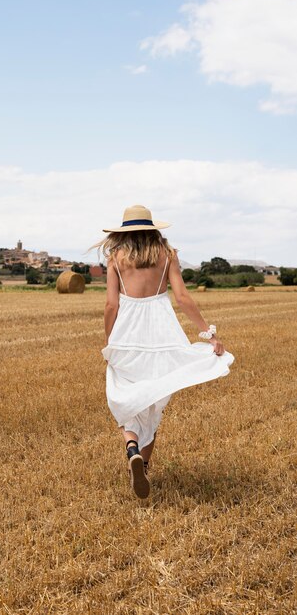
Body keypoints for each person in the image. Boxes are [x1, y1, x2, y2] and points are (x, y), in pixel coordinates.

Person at [95, 205, 235, 499]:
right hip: (162, 333)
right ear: (153, 228)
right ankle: (143, 464)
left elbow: (111, 306)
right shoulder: (166, 254)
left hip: (127, 334)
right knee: (155, 399)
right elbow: (182, 297)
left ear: (125, 232)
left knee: (125, 396)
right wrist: (208, 334)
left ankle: (131, 446)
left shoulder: (115, 259)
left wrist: (110, 341)